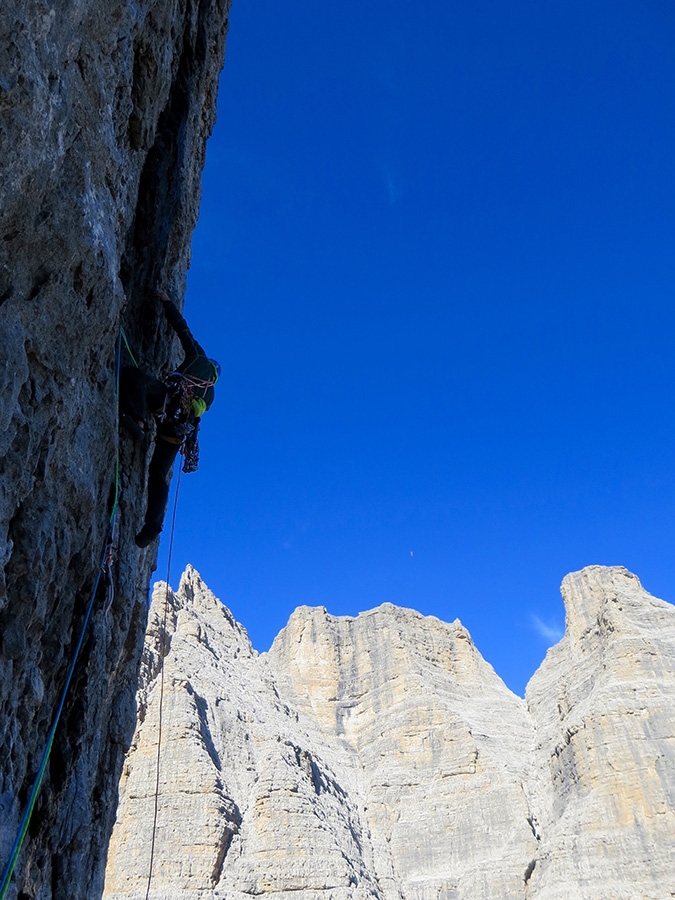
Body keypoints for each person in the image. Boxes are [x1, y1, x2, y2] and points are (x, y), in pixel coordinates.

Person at [120, 290, 219, 548]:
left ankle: (139, 421)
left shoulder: (198, 357)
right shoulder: (210, 395)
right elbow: (196, 412)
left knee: (135, 377)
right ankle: (152, 525)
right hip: (176, 431)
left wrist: (166, 301)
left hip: (165, 403)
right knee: (158, 473)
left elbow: (182, 330)